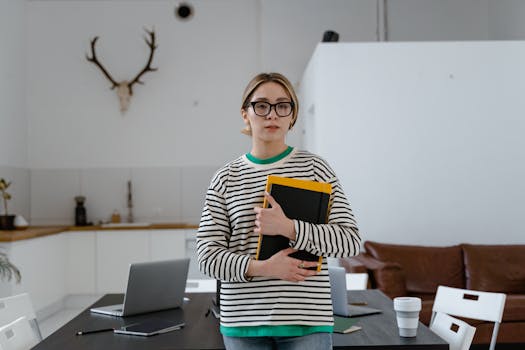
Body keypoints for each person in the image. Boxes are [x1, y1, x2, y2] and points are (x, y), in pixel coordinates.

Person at [197, 72, 361, 350]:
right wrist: (264, 268)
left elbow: (349, 242)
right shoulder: (225, 178)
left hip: (308, 323)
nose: (272, 114)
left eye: (282, 105)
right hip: (242, 325)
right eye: (261, 105)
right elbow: (206, 257)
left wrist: (289, 228)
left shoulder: (315, 168)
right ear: (245, 114)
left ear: (292, 116)